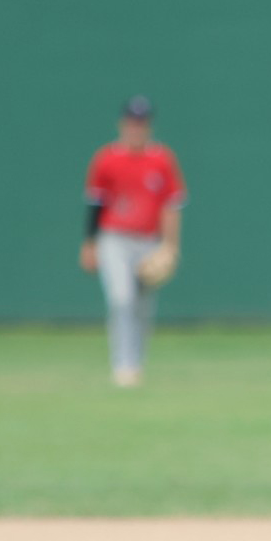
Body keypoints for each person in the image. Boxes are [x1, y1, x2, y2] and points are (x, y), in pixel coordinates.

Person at [79, 95, 187, 387]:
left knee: (142, 307)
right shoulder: (107, 158)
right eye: (132, 121)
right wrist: (89, 243)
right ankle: (123, 366)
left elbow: (172, 205)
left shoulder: (161, 159)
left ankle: (135, 364)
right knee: (121, 299)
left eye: (142, 122)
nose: (136, 127)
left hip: (148, 241)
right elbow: (96, 204)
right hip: (113, 239)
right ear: (123, 123)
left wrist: (170, 246)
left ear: (148, 125)